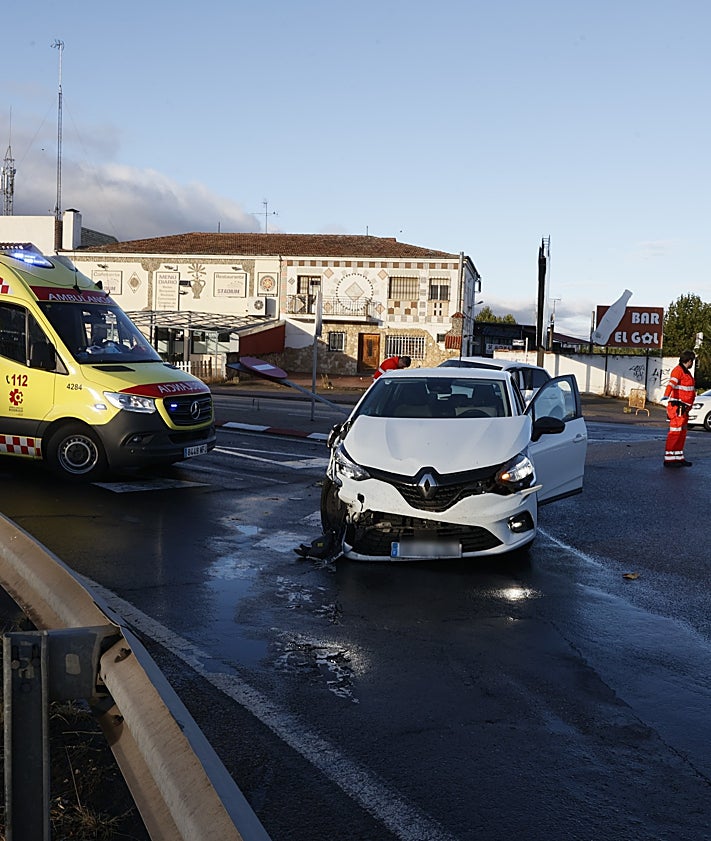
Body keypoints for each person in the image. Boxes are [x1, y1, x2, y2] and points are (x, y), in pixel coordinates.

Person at [662, 349, 696, 468]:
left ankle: (678, 457)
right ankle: (669, 459)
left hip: (684, 408)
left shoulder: (685, 372)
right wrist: (666, 394)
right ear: (690, 361)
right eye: (692, 361)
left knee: (681, 433)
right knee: (675, 433)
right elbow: (671, 383)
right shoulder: (678, 371)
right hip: (678, 407)